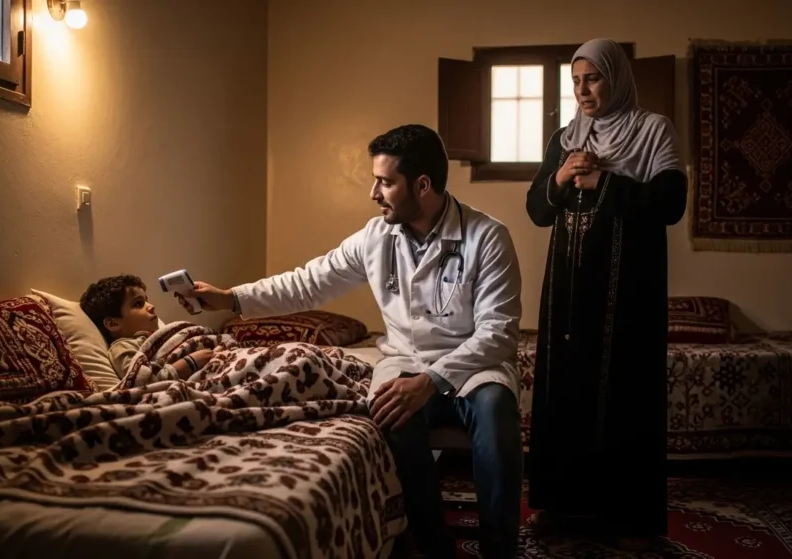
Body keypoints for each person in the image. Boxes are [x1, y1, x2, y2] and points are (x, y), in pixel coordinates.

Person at [177, 124, 524, 559]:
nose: (374, 192)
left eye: (385, 181)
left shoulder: (487, 237)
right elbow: (307, 283)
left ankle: (499, 548)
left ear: (422, 185)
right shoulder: (375, 237)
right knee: (391, 413)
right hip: (404, 360)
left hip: (473, 365)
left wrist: (432, 380)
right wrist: (231, 298)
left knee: (496, 410)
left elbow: (498, 332)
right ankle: (434, 545)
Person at [524, 38, 687, 549]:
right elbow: (537, 208)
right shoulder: (567, 136)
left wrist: (605, 183)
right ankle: (558, 505)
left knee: (624, 391)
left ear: (615, 77)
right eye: (575, 81)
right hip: (569, 292)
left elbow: (672, 202)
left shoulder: (652, 130)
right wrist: (562, 175)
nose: (582, 90)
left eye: (592, 78)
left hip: (627, 293)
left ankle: (626, 514)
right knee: (564, 390)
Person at [80, 274, 212, 380]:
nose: (151, 306)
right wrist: (188, 364)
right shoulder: (122, 347)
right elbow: (142, 381)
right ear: (113, 323)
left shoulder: (157, 337)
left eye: (146, 300)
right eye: (138, 303)